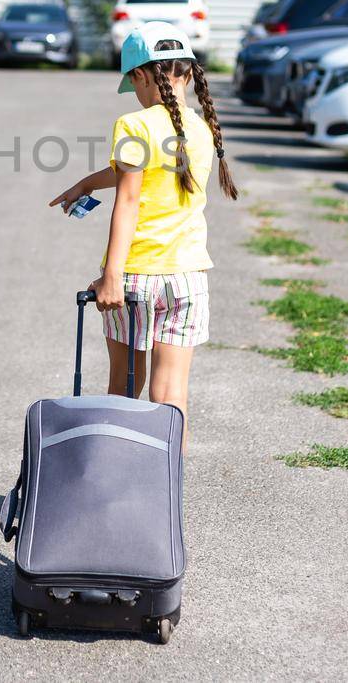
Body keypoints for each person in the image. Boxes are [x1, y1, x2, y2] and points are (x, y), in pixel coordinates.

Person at [50, 22, 238, 446]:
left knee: (123, 390)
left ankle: (112, 487)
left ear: (139, 75)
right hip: (188, 278)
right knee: (172, 396)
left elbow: (131, 199)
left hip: (136, 279)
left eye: (132, 82)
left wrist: (111, 276)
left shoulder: (133, 125)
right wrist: (88, 182)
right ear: (187, 72)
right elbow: (146, 174)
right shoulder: (203, 129)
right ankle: (163, 491)